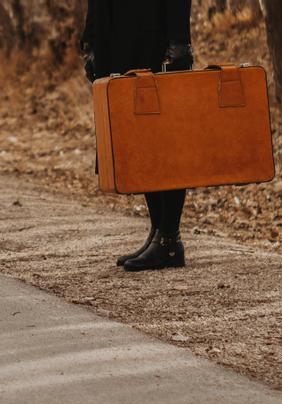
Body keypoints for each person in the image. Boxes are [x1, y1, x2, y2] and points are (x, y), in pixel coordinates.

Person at [80, 1, 194, 272]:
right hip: (117, 34)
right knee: (138, 139)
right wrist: (91, 41)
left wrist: (179, 42)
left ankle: (169, 239)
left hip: (153, 34)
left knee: (164, 139)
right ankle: (158, 232)